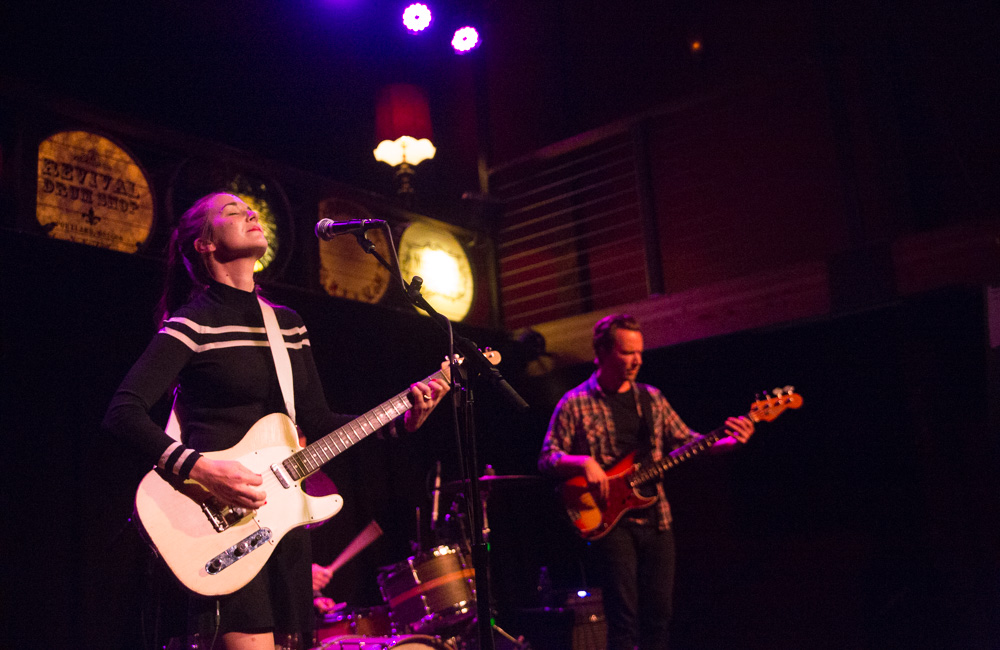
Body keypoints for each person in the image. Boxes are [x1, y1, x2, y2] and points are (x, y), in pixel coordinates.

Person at [103, 192, 448, 650]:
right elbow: (122, 412)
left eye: (250, 208)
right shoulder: (191, 325)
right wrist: (203, 469)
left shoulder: (287, 324)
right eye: (231, 211)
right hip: (219, 523)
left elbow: (320, 422)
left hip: (279, 525)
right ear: (203, 245)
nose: (249, 213)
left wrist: (401, 419)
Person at [537, 313, 754, 650]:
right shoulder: (575, 403)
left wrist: (728, 443)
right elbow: (547, 457)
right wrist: (581, 462)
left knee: (659, 618)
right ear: (603, 352)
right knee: (623, 621)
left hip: (657, 520)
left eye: (639, 351)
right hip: (611, 523)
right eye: (627, 352)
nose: (637, 360)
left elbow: (689, 442)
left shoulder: (651, 398)